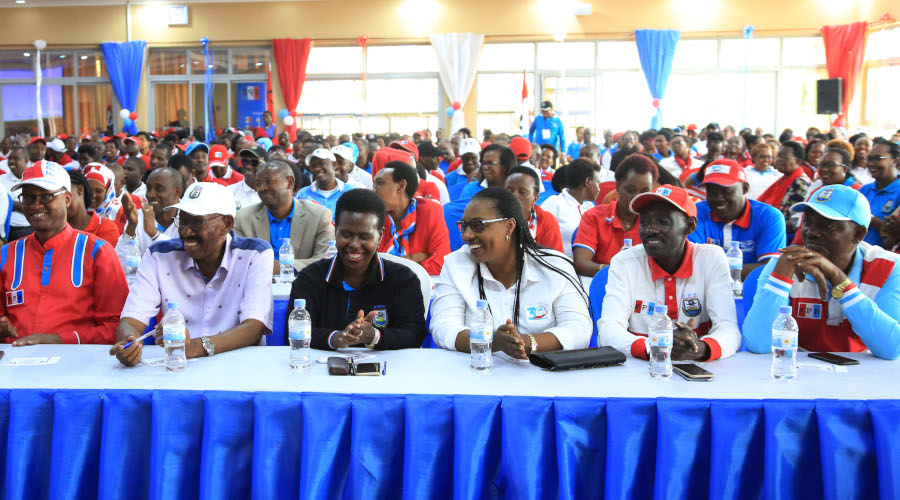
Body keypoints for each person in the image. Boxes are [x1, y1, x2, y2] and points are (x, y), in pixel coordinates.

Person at [111, 182, 274, 366]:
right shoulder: (159, 255)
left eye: (197, 222)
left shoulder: (255, 254)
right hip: (178, 368)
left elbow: (253, 328)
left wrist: (196, 347)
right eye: (182, 221)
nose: (186, 231)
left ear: (226, 224)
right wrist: (128, 342)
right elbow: (131, 319)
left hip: (239, 366)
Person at [430, 188, 592, 357]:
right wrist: (490, 341)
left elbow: (578, 329)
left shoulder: (555, 267)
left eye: (478, 225)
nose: (467, 235)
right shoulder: (456, 265)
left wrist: (525, 343)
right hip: (476, 375)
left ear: (509, 226)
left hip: (542, 375)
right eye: (464, 227)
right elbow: (443, 326)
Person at [744, 185, 900, 359]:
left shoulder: (888, 267)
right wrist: (781, 277)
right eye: (808, 222)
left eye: (828, 226)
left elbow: (892, 348)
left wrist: (840, 281)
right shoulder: (783, 263)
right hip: (797, 369)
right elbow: (759, 343)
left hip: (863, 374)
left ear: (858, 234)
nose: (812, 232)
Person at [597, 185, 741, 361]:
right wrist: (657, 346)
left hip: (696, 373)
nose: (651, 229)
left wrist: (700, 348)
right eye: (644, 222)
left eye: (663, 222)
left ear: (690, 225)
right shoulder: (624, 262)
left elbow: (729, 329)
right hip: (640, 372)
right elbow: (608, 330)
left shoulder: (711, 258)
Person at [0, 161, 128, 346]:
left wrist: (59, 340)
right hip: (14, 365)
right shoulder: (6, 255)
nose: (35, 206)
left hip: (78, 368)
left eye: (46, 197)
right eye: (27, 198)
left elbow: (116, 327)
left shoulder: (97, 252)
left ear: (67, 199)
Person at [286, 189, 427, 350]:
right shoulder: (310, 278)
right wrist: (337, 338)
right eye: (346, 234)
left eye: (365, 237)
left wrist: (374, 336)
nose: (354, 244)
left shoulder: (403, 279)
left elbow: (415, 334)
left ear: (380, 236)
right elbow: (292, 331)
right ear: (335, 231)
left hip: (388, 372)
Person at [688, 159, 785, 276]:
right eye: (711, 191)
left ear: (744, 188)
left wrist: (713, 272)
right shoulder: (696, 213)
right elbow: (692, 264)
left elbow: (769, 269)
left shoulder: (769, 217)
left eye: (726, 191)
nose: (718, 198)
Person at [234, 161, 334, 273]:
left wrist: (282, 267)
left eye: (269, 181)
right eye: (258, 184)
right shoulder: (242, 218)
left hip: (303, 285)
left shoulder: (318, 215)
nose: (262, 188)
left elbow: (326, 259)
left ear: (290, 183)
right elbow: (237, 260)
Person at [573, 154, 657, 276]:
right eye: (630, 190)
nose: (637, 197)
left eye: (645, 192)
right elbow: (581, 263)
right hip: (604, 284)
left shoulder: (656, 221)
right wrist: (618, 271)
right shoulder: (594, 216)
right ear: (618, 187)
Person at [373, 161, 450, 275]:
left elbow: (440, 264)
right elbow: (371, 265)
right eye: (374, 185)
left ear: (401, 186)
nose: (374, 190)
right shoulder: (373, 215)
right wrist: (415, 258)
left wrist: (392, 267)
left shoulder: (430, 211)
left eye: (380, 183)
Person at [116, 167, 184, 256]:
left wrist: (154, 234)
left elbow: (184, 258)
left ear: (177, 192)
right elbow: (124, 262)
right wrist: (131, 227)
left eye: (159, 188)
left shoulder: (191, 216)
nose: (150, 194)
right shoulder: (138, 216)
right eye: (148, 188)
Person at [540, 158, 599, 257]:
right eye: (598, 182)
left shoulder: (590, 207)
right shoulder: (554, 203)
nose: (599, 188)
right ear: (587, 182)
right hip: (556, 267)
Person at [504, 166, 563, 252]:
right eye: (509, 190)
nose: (514, 196)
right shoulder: (492, 217)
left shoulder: (545, 221)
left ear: (535, 198)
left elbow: (556, 260)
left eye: (522, 192)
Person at [757, 141, 812, 233]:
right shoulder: (783, 178)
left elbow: (796, 219)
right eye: (778, 156)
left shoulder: (801, 183)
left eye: (784, 157)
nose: (779, 160)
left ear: (797, 161)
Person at [859, 138, 900, 248]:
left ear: (895, 161)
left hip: (886, 259)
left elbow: (893, 232)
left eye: (878, 159)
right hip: (858, 255)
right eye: (869, 159)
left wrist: (868, 217)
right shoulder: (864, 190)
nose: (871, 163)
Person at [296, 148, 357, 220]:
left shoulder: (351, 193)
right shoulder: (302, 194)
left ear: (334, 165)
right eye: (313, 166)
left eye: (322, 164)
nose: (317, 168)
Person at [66, 169, 120, 245]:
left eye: (66, 197)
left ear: (80, 190)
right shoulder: (53, 228)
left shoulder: (106, 228)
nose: (60, 203)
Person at [0, 147, 31, 240]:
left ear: (26, 161)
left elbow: (32, 207)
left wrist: (8, 203)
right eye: (10, 158)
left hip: (28, 228)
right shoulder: (1, 179)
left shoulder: (33, 180)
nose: (11, 162)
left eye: (16, 158)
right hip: (6, 229)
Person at [230, 146, 264, 210]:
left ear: (265, 165)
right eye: (245, 161)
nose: (248, 166)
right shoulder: (229, 192)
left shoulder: (272, 193)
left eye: (254, 163)